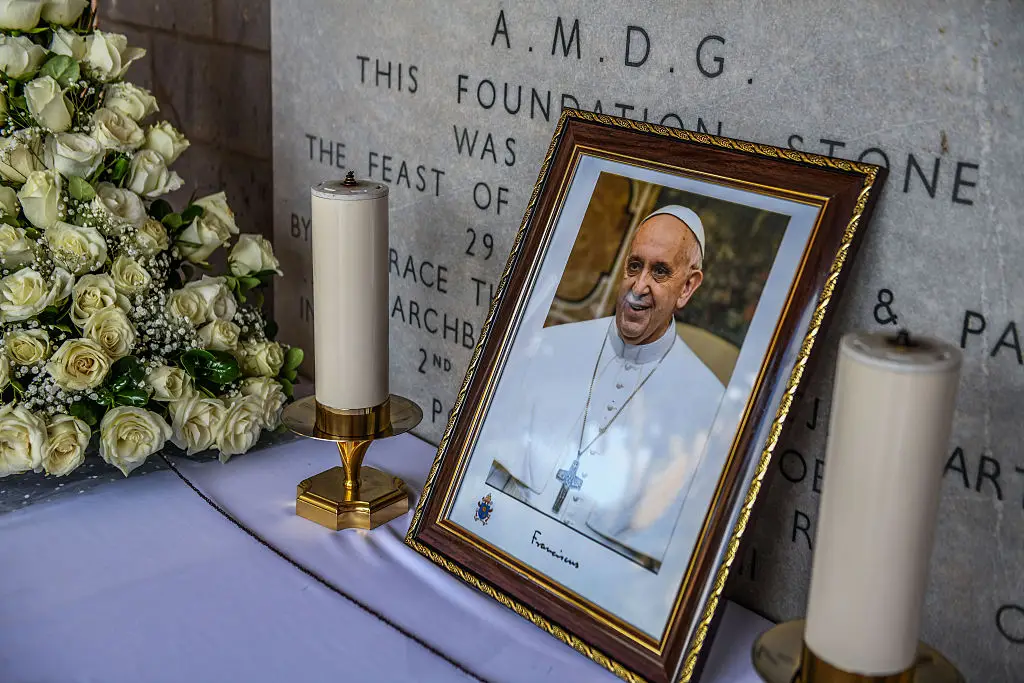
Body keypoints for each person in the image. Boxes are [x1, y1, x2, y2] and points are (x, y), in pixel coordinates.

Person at [483, 205, 725, 572]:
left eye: (660, 272)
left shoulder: (710, 404)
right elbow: (491, 475)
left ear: (687, 287)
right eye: (634, 266)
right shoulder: (551, 346)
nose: (639, 286)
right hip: (507, 549)